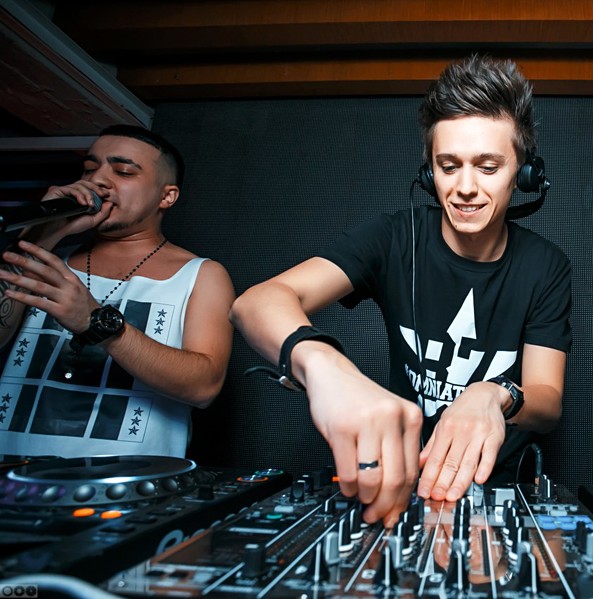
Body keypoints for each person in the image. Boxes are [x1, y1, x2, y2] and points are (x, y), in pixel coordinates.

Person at [231, 55, 572, 526]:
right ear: (429, 173)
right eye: (448, 166)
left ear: (524, 174)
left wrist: (495, 394)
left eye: (488, 167)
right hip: (395, 479)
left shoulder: (545, 265)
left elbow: (547, 400)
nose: (465, 187)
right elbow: (255, 303)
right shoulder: (393, 237)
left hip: (495, 488)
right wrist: (326, 367)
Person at [0, 125, 234, 458]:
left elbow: (204, 387)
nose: (99, 180)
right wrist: (44, 234)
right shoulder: (48, 257)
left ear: (167, 196)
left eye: (123, 171)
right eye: (89, 169)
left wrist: (95, 322)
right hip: (14, 477)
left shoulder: (200, 275)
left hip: (129, 482)